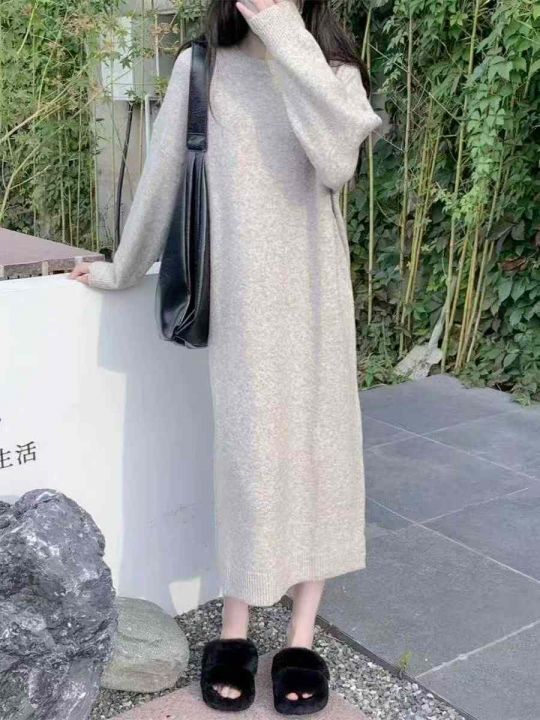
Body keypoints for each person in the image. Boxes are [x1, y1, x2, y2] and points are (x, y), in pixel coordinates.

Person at [70, 0, 382, 714]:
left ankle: (301, 638)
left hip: (318, 304)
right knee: (250, 466)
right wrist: (121, 270)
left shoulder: (332, 69)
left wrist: (286, 34)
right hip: (244, 312)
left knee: (321, 462)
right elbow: (161, 180)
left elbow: (337, 162)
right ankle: (235, 631)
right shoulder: (201, 68)